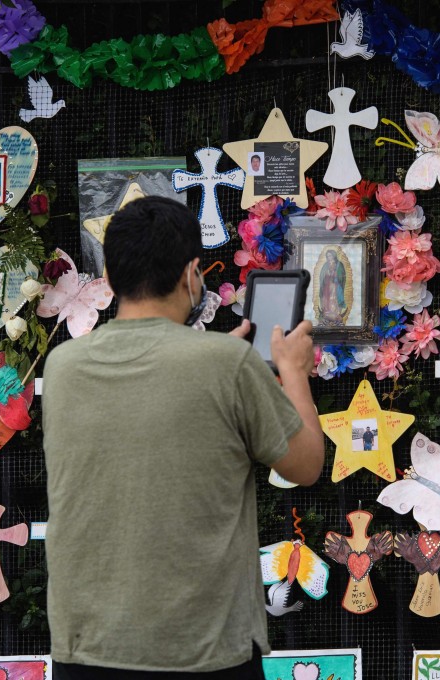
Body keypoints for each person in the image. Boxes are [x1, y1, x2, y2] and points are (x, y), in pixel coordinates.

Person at [41, 196, 325, 680]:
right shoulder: (226, 365)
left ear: (109, 277)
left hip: (88, 646)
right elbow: (305, 465)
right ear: (194, 273)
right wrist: (294, 372)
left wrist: (214, 364)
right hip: (202, 649)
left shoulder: (63, 366)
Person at [318, 249, 347, 325]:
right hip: (327, 285)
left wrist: (335, 274)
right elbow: (322, 276)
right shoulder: (325, 265)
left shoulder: (339, 264)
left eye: (330, 255)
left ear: (334, 255)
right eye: (327, 256)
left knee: (334, 298)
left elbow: (342, 276)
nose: (329, 257)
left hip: (336, 285)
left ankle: (336, 313)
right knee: (327, 298)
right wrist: (327, 273)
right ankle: (327, 313)